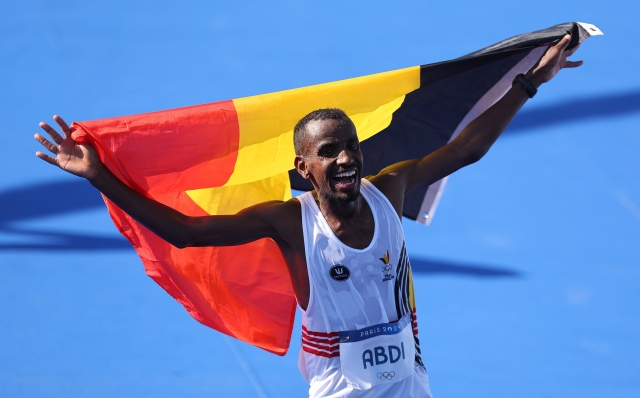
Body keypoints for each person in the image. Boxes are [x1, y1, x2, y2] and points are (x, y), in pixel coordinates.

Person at [35, 35, 581, 397]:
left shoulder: (390, 188)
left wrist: (529, 83)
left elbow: (466, 150)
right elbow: (184, 232)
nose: (345, 158)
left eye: (350, 146)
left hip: (411, 384)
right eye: (329, 152)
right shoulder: (289, 223)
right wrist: (99, 176)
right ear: (304, 167)